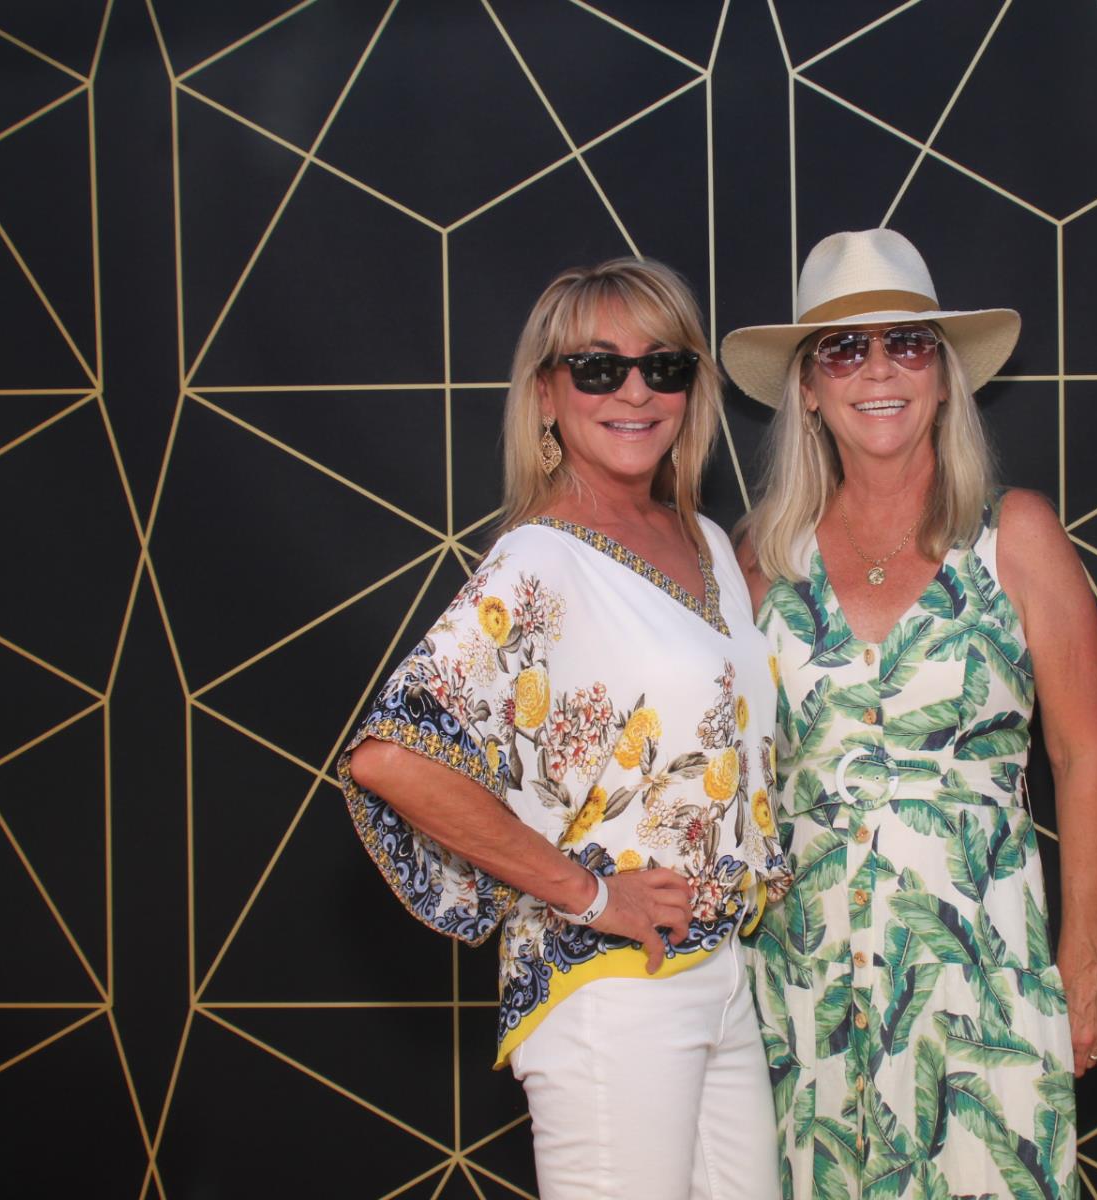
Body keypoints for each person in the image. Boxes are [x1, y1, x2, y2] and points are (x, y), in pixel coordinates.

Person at [340, 258, 789, 1200]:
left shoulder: (707, 540)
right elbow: (390, 758)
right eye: (598, 368)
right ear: (546, 394)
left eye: (663, 366)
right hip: (609, 992)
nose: (636, 391)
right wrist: (591, 896)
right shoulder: (538, 560)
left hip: (720, 975)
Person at [723, 229, 1097, 1200]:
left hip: (984, 974)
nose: (879, 370)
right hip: (802, 982)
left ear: (942, 378)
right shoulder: (758, 561)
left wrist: (1085, 954)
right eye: (843, 350)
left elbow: (1083, 755)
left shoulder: (1016, 537)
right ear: (807, 390)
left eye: (906, 343)